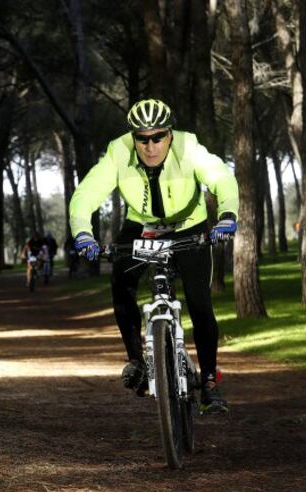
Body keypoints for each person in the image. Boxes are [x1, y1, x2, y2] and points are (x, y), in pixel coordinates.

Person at [70, 98, 239, 413]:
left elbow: (221, 177)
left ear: (170, 135)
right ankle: (137, 360)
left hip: (189, 225)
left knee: (200, 302)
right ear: (133, 137)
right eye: (142, 138)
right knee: (120, 286)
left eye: (158, 137)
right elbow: (87, 193)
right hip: (142, 226)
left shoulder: (189, 147)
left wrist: (227, 214)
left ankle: (211, 385)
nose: (150, 146)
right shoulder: (119, 152)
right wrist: (83, 232)